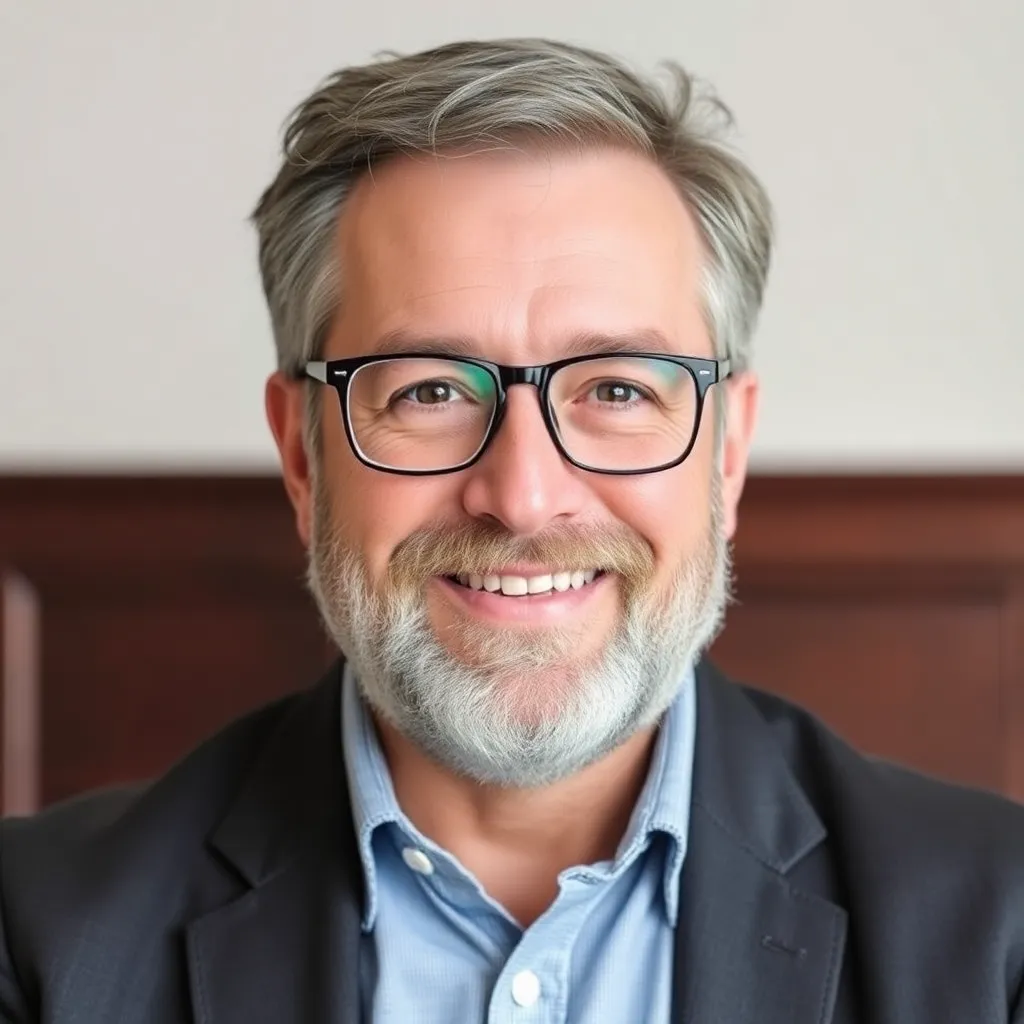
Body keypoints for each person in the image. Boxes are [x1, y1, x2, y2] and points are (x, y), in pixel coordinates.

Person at [1, 37, 1022, 1024]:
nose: (525, 496)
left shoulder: (1000, 934)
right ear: (304, 455)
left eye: (617, 387)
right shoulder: (35, 939)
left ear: (725, 450)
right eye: (433, 389)